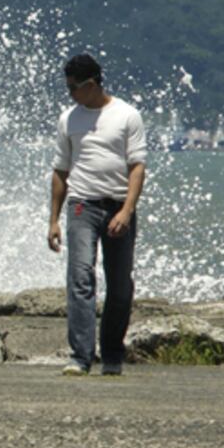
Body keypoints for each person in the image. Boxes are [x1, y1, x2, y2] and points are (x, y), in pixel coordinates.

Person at [48, 53, 147, 376]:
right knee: (80, 279)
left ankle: (113, 356)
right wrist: (53, 220)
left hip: (119, 206)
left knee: (119, 286)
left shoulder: (126, 115)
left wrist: (127, 211)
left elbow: (137, 167)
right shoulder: (69, 119)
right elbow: (61, 171)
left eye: (73, 88)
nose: (70, 94)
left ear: (91, 84)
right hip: (82, 206)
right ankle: (80, 356)